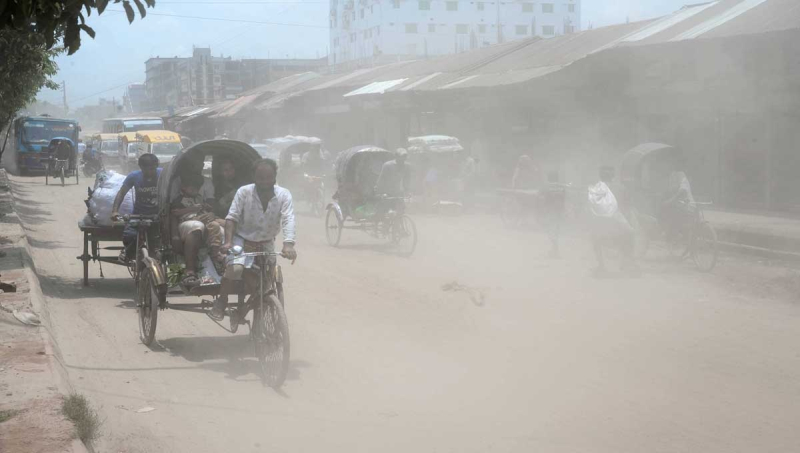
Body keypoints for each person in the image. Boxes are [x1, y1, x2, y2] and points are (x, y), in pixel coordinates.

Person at [210, 158, 297, 321]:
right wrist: (228, 242)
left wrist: (288, 244)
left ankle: (260, 311)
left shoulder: (284, 195)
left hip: (266, 242)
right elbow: (232, 217)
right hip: (242, 239)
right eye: (260, 178)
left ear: (275, 177)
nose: (265, 182)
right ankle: (222, 301)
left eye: (268, 177)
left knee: (267, 280)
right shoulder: (244, 192)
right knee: (235, 269)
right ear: (254, 177)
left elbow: (288, 218)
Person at [169, 154, 215, 286]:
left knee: (221, 228)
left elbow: (211, 205)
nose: (196, 167)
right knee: (196, 226)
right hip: (186, 222)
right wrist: (174, 235)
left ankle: (220, 266)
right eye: (193, 165)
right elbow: (172, 211)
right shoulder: (177, 184)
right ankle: (190, 271)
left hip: (203, 219)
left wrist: (211, 213)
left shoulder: (205, 183)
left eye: (199, 164)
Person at [171, 173, 227, 275]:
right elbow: (175, 212)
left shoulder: (199, 197)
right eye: (192, 189)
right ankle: (210, 256)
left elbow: (205, 207)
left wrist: (207, 208)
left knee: (223, 224)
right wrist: (191, 209)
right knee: (209, 225)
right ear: (184, 187)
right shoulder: (179, 199)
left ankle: (220, 254)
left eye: (197, 189)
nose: (195, 191)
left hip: (203, 217)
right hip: (189, 219)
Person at [111, 154, 161, 262]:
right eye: (146, 169)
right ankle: (126, 251)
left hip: (158, 216)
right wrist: (115, 211)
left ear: (157, 166)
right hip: (138, 215)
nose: (150, 172)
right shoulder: (134, 176)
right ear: (141, 168)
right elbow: (121, 193)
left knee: (162, 242)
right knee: (130, 235)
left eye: (153, 169)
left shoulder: (163, 174)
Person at [587, 166, 637, 275]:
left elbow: (591, 207)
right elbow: (627, 206)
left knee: (595, 239)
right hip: (618, 222)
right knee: (630, 235)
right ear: (613, 176)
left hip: (602, 223)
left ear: (600, 176)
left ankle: (601, 265)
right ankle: (629, 263)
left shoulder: (596, 189)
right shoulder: (621, 187)